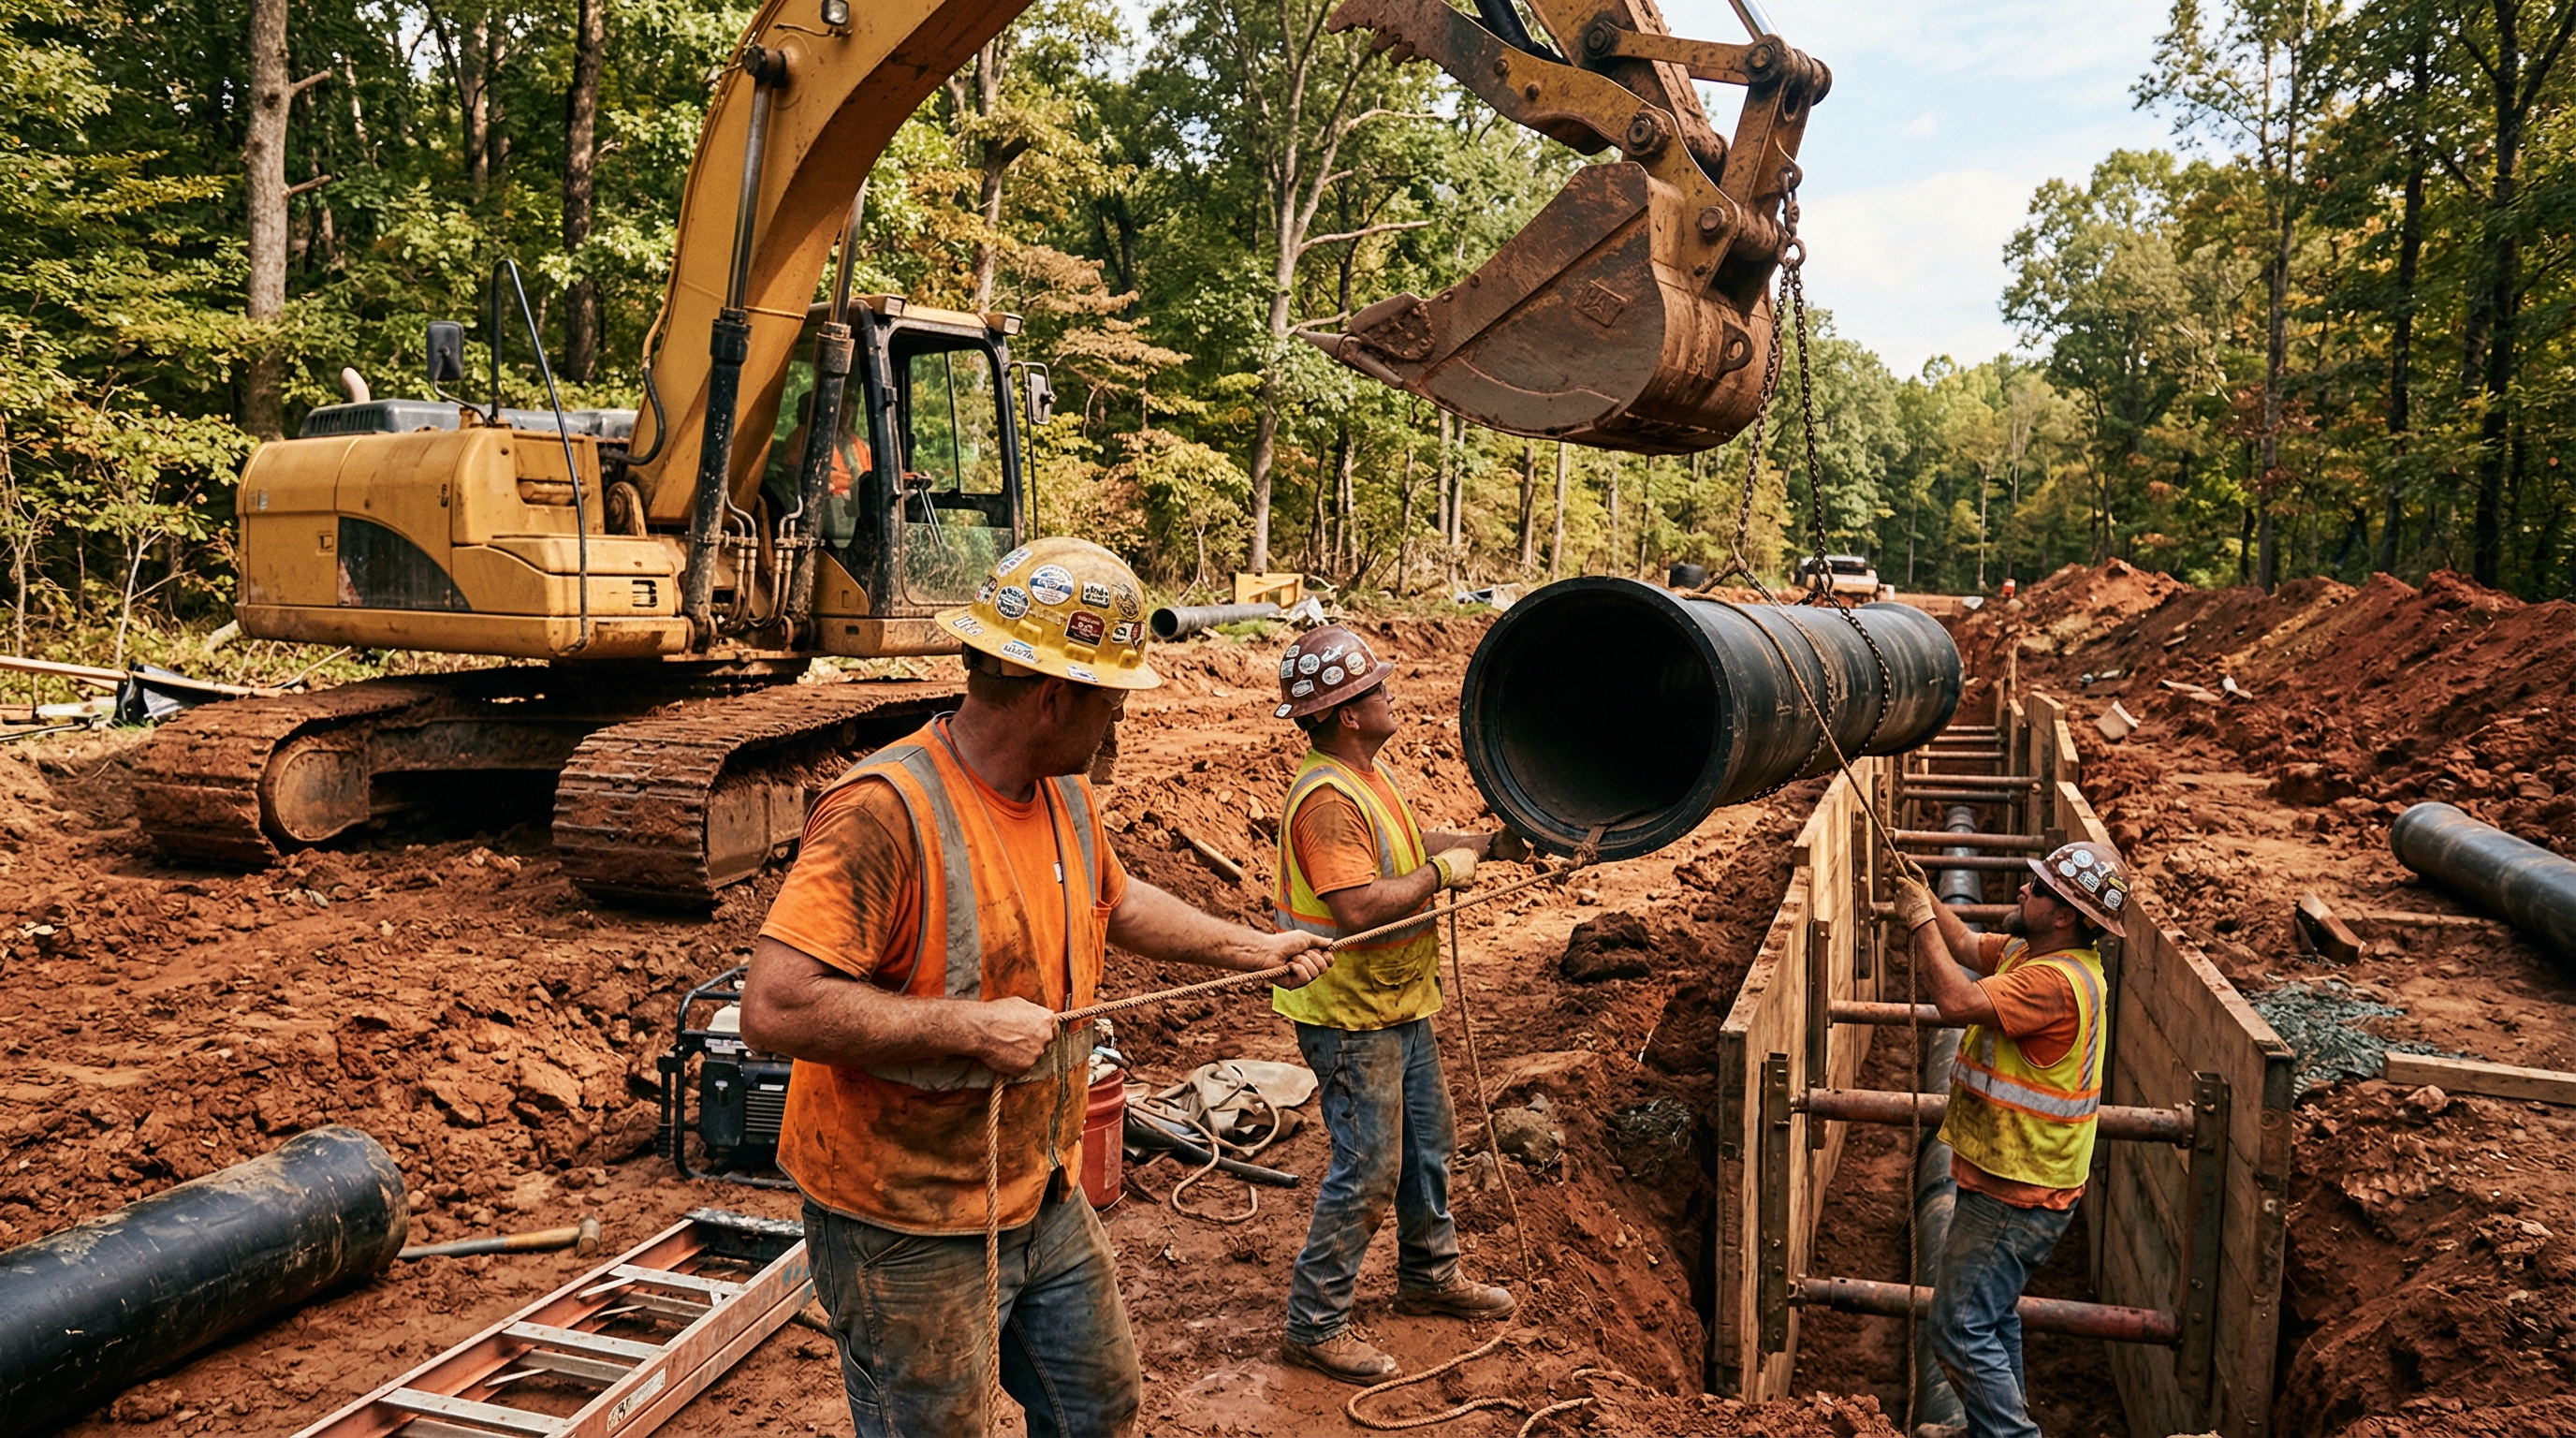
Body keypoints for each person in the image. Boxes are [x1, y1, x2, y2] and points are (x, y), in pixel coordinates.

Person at [739, 537, 1333, 1438]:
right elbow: (774, 1007)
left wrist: (1251, 948)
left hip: (1038, 1188)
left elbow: (1118, 902)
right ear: (1055, 695)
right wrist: (971, 1029)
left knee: (1098, 1402)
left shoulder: (1063, 795)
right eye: (1112, 701)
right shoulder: (886, 809)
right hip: (907, 1220)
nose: (1118, 722)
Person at [1266, 624, 1529, 1383]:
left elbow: (1407, 846)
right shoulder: (1324, 797)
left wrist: (1482, 844)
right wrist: (1446, 876)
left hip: (1396, 1001)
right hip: (1350, 1015)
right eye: (1378, 688)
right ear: (1348, 712)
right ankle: (1314, 1323)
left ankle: (1429, 1276)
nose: (1390, 695)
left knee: (1428, 1142)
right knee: (1370, 1165)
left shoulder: (1364, 777)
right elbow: (1356, 905)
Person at [1890, 840, 2130, 1438]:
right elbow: (1968, 947)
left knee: (1957, 1324)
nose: (2025, 889)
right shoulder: (2033, 953)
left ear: (2065, 914)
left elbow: (1955, 998)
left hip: (2018, 1190)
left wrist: (1919, 922)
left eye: (2040, 887)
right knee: (1990, 1317)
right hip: (2017, 1176)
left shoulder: (2053, 982)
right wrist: (1927, 896)